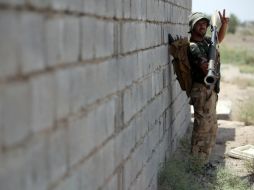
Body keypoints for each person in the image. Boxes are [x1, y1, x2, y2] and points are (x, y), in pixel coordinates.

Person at [188, 10, 229, 164]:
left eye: (205, 24)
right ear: (192, 26)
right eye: (199, 24)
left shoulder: (205, 42)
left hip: (210, 89)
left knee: (211, 127)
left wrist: (224, 24)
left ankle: (204, 162)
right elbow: (205, 68)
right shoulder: (193, 46)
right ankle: (196, 164)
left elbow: (218, 39)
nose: (202, 26)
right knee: (202, 129)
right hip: (201, 90)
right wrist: (210, 63)